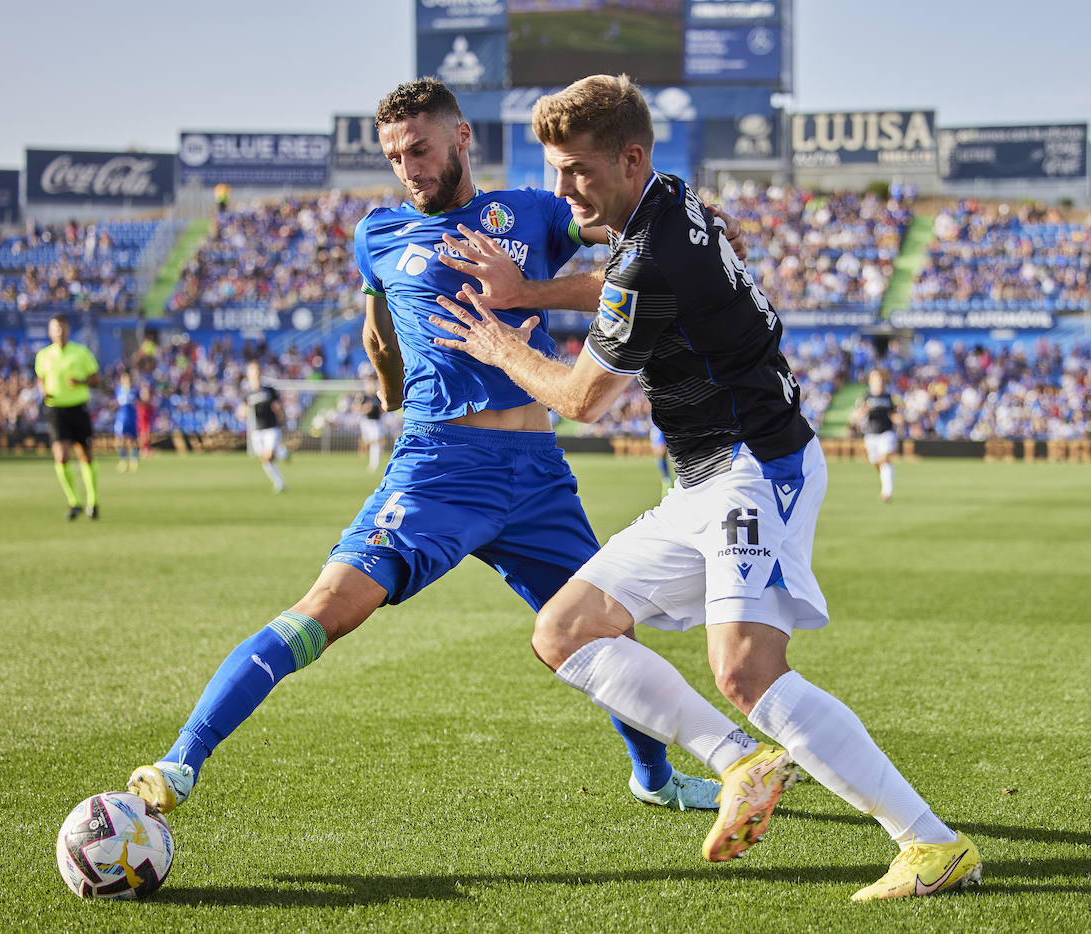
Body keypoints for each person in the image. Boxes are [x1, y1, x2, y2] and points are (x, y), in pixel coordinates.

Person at [429, 74, 980, 901]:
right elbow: (620, 285)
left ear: (630, 158)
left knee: (747, 669)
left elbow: (581, 399)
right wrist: (532, 291)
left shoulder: (653, 254)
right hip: (702, 477)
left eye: (578, 170)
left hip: (755, 467)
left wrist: (501, 340)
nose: (563, 189)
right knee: (566, 631)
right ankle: (742, 761)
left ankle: (931, 844)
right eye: (555, 169)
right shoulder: (669, 201)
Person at [124, 77, 717, 825]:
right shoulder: (378, 234)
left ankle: (654, 778)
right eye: (396, 156)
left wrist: (696, 230)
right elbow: (378, 335)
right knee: (329, 608)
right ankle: (180, 761)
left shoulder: (532, 212)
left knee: (607, 630)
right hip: (440, 468)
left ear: (462, 137)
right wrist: (390, 392)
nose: (409, 168)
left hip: (537, 475)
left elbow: (640, 253)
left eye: (421, 149)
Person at [34, 314, 101, 520]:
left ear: (68, 330)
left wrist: (81, 382)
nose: (59, 332)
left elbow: (96, 379)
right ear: (50, 332)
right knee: (61, 456)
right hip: (56, 410)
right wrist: (43, 390)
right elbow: (40, 378)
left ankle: (93, 501)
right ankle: (74, 502)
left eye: (62, 328)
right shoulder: (44, 355)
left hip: (78, 408)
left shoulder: (80, 352)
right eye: (56, 328)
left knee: (86, 455)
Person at [851, 369, 900, 502]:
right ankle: (886, 478)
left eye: (880, 379)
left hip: (886, 433)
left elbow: (895, 414)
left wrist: (899, 419)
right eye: (875, 379)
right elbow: (854, 418)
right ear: (870, 382)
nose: (878, 382)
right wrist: (863, 411)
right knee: (877, 463)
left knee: (884, 459)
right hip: (871, 435)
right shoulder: (865, 398)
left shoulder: (889, 397)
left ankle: (887, 492)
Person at [241, 360, 286, 492]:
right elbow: (243, 410)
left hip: (271, 428)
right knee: (266, 460)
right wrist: (243, 412)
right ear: (248, 374)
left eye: (257, 370)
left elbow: (277, 406)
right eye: (253, 371)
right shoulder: (248, 393)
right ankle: (280, 480)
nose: (256, 373)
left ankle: (281, 455)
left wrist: (281, 418)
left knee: (268, 456)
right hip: (257, 430)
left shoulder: (269, 390)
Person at [113, 370, 141, 473]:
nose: (126, 381)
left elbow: (142, 401)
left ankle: (134, 459)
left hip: (132, 417)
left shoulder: (135, 391)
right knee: (120, 439)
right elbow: (116, 403)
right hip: (121, 418)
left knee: (133, 440)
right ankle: (123, 460)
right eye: (124, 379)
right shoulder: (118, 390)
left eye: (127, 379)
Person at [357, 377, 386, 473]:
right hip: (366, 421)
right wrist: (366, 408)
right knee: (368, 442)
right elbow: (357, 408)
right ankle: (365, 455)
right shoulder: (363, 397)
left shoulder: (377, 396)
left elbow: (383, 408)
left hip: (376, 421)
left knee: (376, 442)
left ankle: (374, 463)